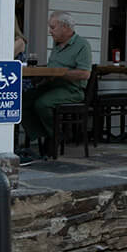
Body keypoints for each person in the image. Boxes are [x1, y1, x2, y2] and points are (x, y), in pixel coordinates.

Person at [18, 11, 91, 163]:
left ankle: (54, 137)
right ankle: (44, 136)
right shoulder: (56, 44)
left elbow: (85, 74)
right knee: (22, 100)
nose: (50, 31)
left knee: (42, 104)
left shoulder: (82, 45)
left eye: (53, 27)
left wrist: (61, 73)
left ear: (65, 27)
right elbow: (52, 67)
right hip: (51, 86)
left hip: (71, 90)